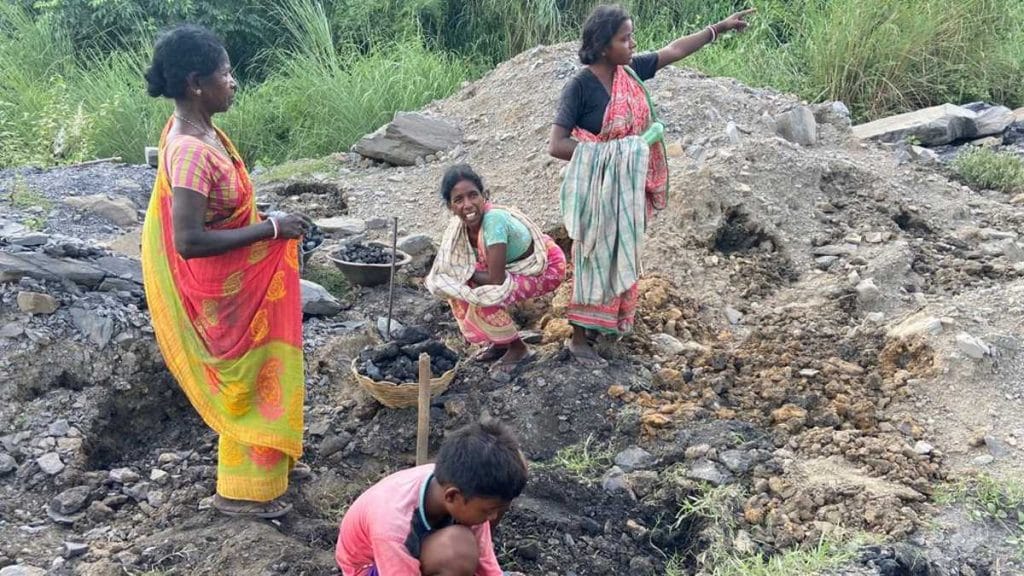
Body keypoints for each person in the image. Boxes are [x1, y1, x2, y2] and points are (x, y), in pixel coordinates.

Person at [141, 24, 313, 518]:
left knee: (266, 373)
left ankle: (270, 457)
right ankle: (245, 492)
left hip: (240, 284)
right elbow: (189, 241)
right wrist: (270, 231)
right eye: (226, 73)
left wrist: (269, 224)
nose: (233, 82)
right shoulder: (190, 151)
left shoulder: (202, 130)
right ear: (196, 83)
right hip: (223, 295)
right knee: (246, 381)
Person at [549, 4, 754, 366]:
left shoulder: (630, 73)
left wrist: (717, 29)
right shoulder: (580, 87)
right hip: (598, 190)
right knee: (592, 258)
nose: (632, 44)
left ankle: (606, 326)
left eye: (631, 37)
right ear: (601, 45)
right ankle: (579, 338)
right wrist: (618, 152)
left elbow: (673, 51)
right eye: (624, 39)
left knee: (621, 256)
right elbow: (557, 144)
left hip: (628, 190)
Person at [335, 419, 529, 576]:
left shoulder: (464, 485)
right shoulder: (393, 525)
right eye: (489, 510)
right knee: (456, 551)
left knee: (463, 544)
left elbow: (484, 556)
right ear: (452, 496)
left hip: (417, 548)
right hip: (372, 566)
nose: (493, 517)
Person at [425, 164, 566, 379]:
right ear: (450, 207)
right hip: (505, 267)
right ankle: (500, 343)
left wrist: (464, 274)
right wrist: (459, 275)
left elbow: (495, 279)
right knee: (459, 288)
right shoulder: (458, 227)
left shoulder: (493, 222)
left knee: (484, 293)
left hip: (545, 267)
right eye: (459, 200)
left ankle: (519, 349)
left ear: (485, 196)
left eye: (473, 195)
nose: (467, 204)